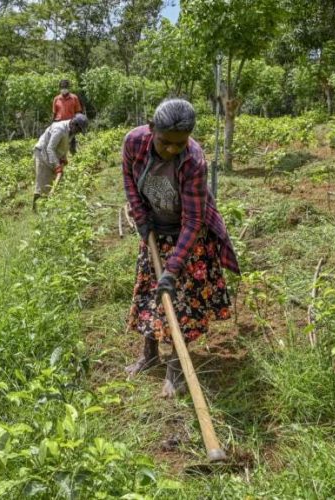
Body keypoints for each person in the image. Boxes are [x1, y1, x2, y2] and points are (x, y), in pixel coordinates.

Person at [122, 99, 240, 398]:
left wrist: (173, 269)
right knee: (150, 291)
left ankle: (177, 368)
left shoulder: (194, 160)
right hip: (155, 228)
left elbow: (193, 220)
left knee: (181, 299)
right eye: (166, 143)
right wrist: (141, 219)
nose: (173, 150)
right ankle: (148, 355)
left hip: (189, 234)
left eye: (179, 143)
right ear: (151, 130)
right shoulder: (134, 142)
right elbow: (129, 182)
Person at [32, 113, 88, 211]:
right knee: (42, 182)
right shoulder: (59, 129)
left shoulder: (71, 130)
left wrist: (63, 157)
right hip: (42, 152)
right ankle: (35, 209)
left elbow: (63, 145)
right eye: (79, 130)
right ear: (74, 124)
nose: (78, 132)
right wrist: (57, 166)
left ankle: (48, 207)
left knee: (53, 182)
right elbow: (50, 148)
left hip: (52, 153)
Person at [52, 79, 83, 154]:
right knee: (59, 144)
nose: (63, 89)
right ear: (60, 88)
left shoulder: (74, 98)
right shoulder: (56, 99)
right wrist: (52, 124)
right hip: (59, 124)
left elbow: (78, 111)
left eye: (65, 87)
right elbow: (54, 113)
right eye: (62, 87)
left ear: (68, 88)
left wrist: (77, 124)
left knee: (71, 142)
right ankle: (60, 159)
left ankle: (74, 156)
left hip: (70, 125)